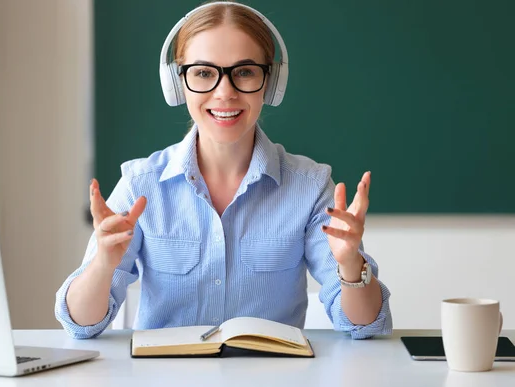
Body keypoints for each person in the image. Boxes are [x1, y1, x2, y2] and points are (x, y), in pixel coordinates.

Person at [55, 0, 392, 340]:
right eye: (203, 73)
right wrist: (103, 264)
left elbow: (365, 325)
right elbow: (80, 325)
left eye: (245, 72)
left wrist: (350, 265)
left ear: (271, 83)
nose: (225, 93)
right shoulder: (141, 184)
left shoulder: (310, 187)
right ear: (177, 83)